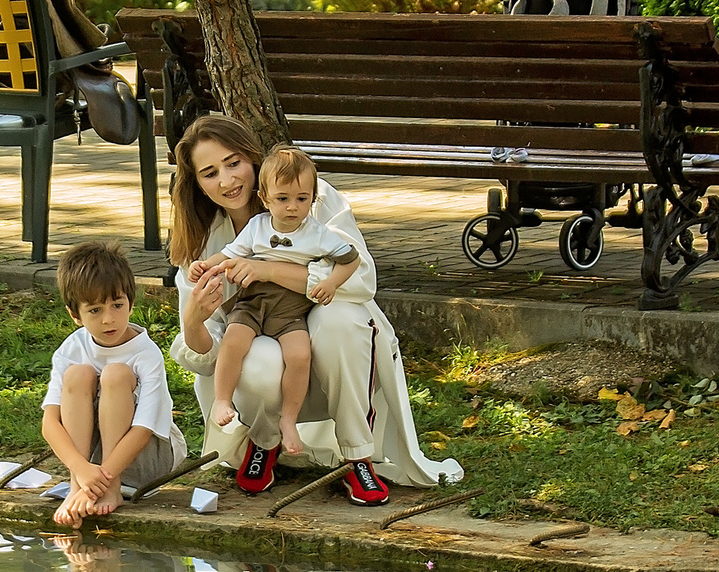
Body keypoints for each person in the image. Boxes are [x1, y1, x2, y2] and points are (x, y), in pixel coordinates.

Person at [167, 113, 462, 500]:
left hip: (328, 348)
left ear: (253, 159)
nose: (226, 180)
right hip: (267, 355)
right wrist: (192, 320)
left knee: (341, 320)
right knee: (252, 355)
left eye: (234, 162)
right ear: (198, 184)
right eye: (209, 173)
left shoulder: (308, 195)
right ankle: (264, 441)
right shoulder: (205, 243)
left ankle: (358, 456)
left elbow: (361, 278)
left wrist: (269, 270)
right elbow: (207, 359)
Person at [192, 144, 358, 461]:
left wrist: (330, 282)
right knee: (233, 340)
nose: (293, 207)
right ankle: (223, 399)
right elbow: (230, 255)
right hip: (253, 301)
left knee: (300, 355)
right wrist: (208, 266)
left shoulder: (319, 234)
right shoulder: (257, 227)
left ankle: (288, 419)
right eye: (282, 199)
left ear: (313, 198)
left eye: (302, 199)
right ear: (266, 199)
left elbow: (351, 260)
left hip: (292, 309)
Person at [41, 239, 188, 526]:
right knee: (78, 375)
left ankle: (108, 489)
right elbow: (50, 422)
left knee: (117, 374)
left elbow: (144, 430)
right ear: (75, 315)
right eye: (95, 310)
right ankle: (77, 488)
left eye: (117, 305)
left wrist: (102, 478)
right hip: (90, 465)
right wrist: (80, 470)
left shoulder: (146, 354)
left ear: (131, 303)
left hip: (147, 458)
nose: (109, 319)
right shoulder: (71, 349)